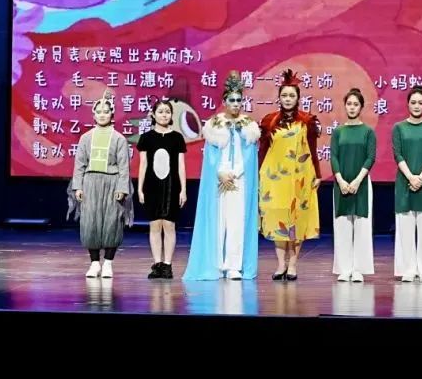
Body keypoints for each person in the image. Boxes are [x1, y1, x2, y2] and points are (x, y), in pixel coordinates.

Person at [182, 71, 260, 281]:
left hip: (239, 180)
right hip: (219, 179)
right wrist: (221, 173)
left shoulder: (249, 126)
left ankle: (234, 265)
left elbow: (250, 157)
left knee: (237, 222)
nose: (235, 104)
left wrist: (234, 174)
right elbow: (210, 157)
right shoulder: (214, 125)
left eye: (238, 100)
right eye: (231, 100)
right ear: (224, 102)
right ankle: (216, 264)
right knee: (218, 221)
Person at [259, 68, 322, 281]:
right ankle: (280, 264)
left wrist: (318, 174)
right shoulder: (269, 121)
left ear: (297, 98)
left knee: (297, 219)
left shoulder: (307, 121)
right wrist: (258, 173)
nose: (287, 99)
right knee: (277, 218)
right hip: (274, 179)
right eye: (284, 95)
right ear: (279, 98)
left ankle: (293, 265)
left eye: (291, 95)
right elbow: (263, 151)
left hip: (300, 177)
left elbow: (312, 150)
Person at [67, 90, 134, 278]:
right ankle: (95, 262)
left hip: (112, 183)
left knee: (112, 222)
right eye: (99, 112)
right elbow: (80, 164)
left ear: (112, 114)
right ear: (94, 114)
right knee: (90, 222)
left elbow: (124, 166)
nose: (102, 115)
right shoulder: (86, 138)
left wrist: (122, 188)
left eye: (106, 111)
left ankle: (108, 263)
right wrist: (78, 187)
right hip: (91, 183)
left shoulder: (119, 139)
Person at [392, 85, 422, 283]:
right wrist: (411, 177)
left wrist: (420, 177)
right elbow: (398, 154)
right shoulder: (399, 128)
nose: (417, 106)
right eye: (413, 102)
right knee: (405, 227)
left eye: (420, 102)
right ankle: (408, 268)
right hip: (404, 181)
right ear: (408, 104)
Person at [137, 98, 187, 279]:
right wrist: (140, 188)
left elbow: (181, 165)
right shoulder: (146, 138)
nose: (164, 115)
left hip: (172, 186)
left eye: (167, 112)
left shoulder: (177, 138)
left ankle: (167, 265)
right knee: (155, 225)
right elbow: (143, 164)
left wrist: (183, 189)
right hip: (152, 186)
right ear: (153, 114)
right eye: (160, 112)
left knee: (169, 225)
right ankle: (157, 264)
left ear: (171, 115)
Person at [331, 88, 377, 282]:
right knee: (342, 226)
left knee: (362, 226)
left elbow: (370, 157)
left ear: (361, 107)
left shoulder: (368, 132)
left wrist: (358, 180)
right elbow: (333, 157)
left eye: (355, 104)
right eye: (349, 104)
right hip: (341, 184)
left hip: (361, 184)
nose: (352, 107)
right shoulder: (338, 132)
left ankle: (359, 269)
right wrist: (341, 180)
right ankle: (344, 268)